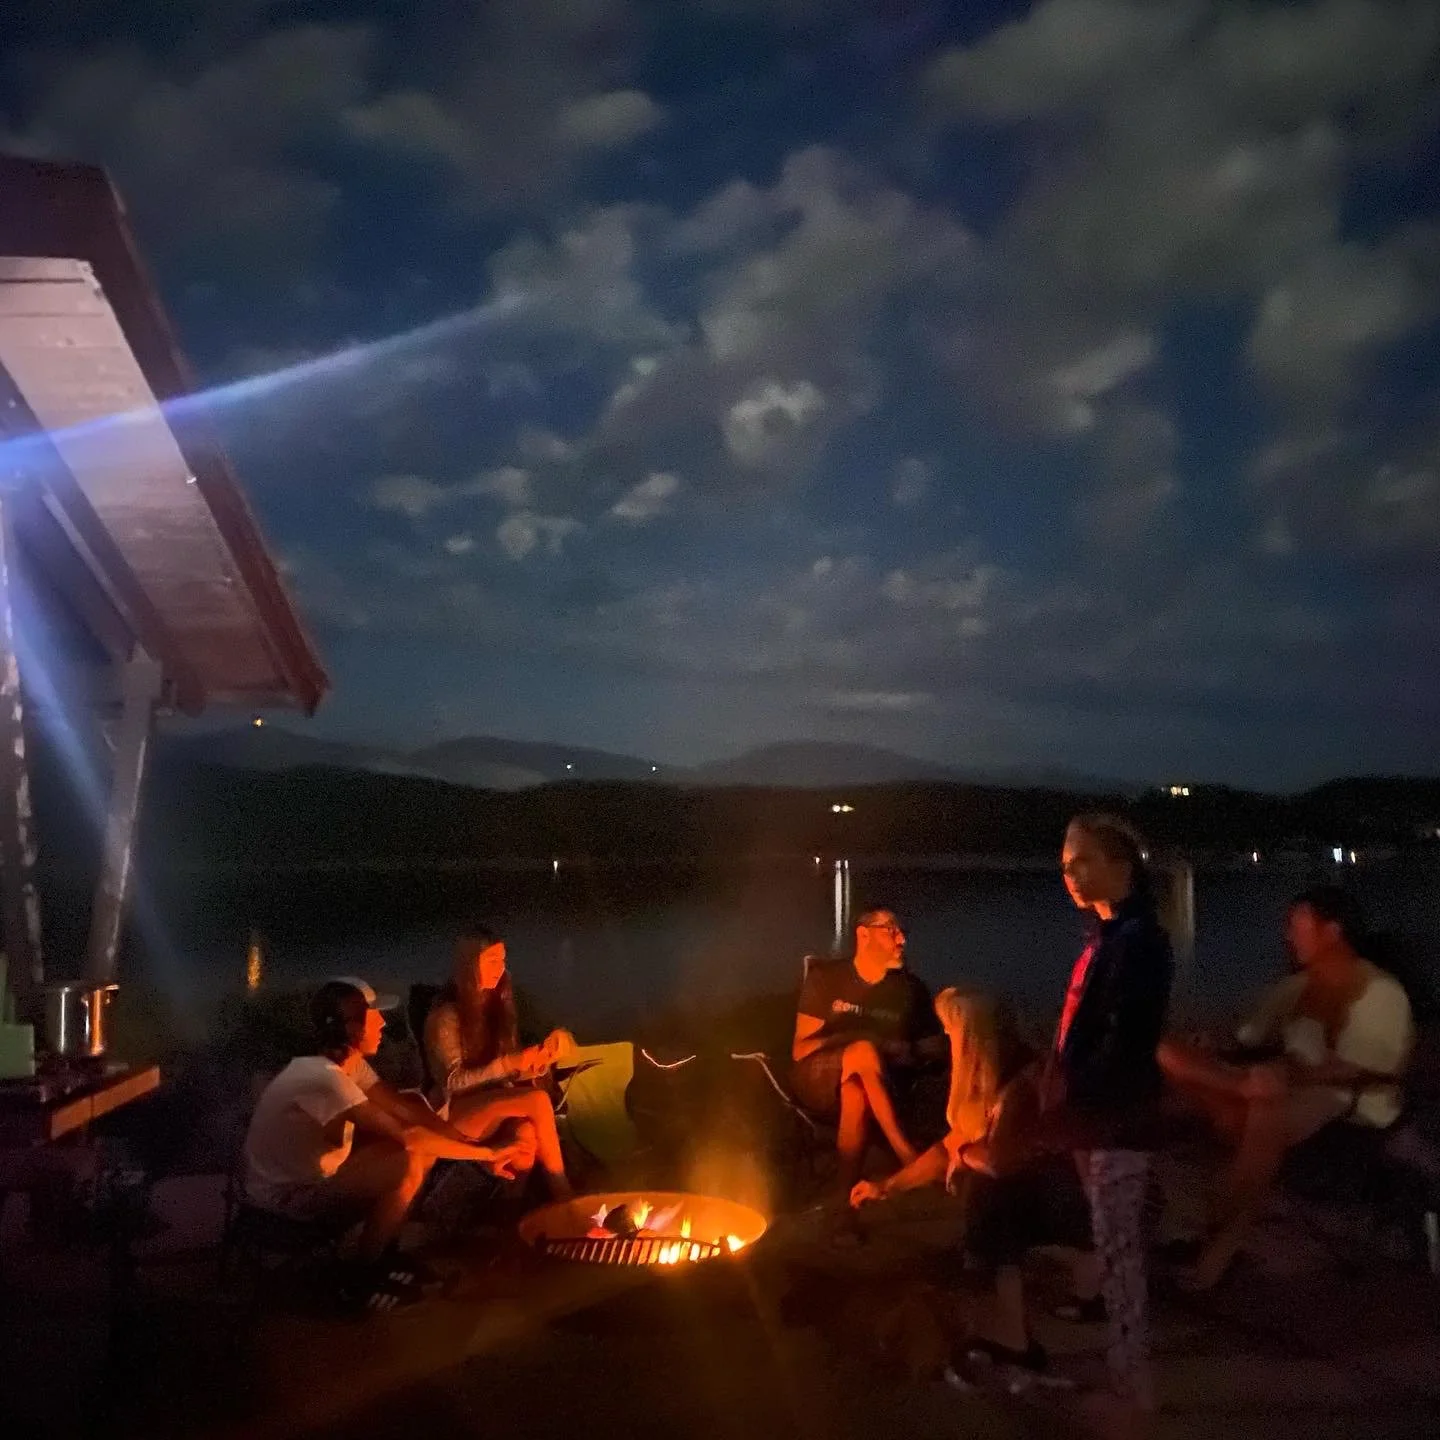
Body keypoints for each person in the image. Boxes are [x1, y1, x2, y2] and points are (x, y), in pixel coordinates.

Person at [1158, 884, 1414, 1292]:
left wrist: (1286, 1076)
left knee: (1266, 1106)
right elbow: (1248, 1037)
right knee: (1168, 1052)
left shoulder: (1377, 991)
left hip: (1349, 1101)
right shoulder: (1296, 989)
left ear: (1332, 931)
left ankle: (1215, 1246)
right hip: (1276, 1087)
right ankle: (1235, 1104)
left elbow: (1363, 1069)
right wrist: (1212, 1047)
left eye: (1298, 924)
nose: (1288, 936)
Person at [850, 989, 1097, 1381]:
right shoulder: (989, 1075)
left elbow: (998, 1160)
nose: (946, 1039)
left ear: (971, 1034)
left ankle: (1017, 1338)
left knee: (989, 1195)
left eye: (950, 1030)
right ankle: (1091, 1280)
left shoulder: (1022, 1080)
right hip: (1052, 1192)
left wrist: (964, 1155)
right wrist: (887, 1187)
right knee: (991, 1190)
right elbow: (949, 1146)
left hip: (1075, 1194)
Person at [243, 977, 524, 1311]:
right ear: (349, 1028)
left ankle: (383, 1255)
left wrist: (465, 1142)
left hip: (312, 1178)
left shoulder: (349, 1066)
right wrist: (486, 1154)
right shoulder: (323, 1080)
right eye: (373, 1016)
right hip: (285, 1199)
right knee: (407, 1158)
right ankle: (360, 1278)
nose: (382, 1023)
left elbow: (405, 1110)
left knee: (415, 1150)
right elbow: (409, 1136)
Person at [1042, 814, 1174, 1439]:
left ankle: (1133, 1393)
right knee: (1112, 1243)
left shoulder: (1137, 943)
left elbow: (1126, 1038)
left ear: (1120, 867)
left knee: (1120, 1251)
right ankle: (1127, 1373)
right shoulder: (1112, 936)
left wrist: (1077, 1090)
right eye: (1065, 865)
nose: (1070, 874)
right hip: (1099, 1111)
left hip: (1118, 1115)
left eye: (1082, 862)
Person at [791, 906, 945, 1196]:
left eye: (902, 932)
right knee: (862, 1051)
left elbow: (934, 1049)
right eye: (891, 931)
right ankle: (907, 1156)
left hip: (886, 1086)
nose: (902, 940)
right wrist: (855, 1038)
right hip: (819, 1084)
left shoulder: (910, 989)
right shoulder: (827, 978)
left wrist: (909, 1051)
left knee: (856, 1091)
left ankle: (845, 1202)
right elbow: (801, 1050)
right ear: (863, 935)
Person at [424, 924, 574, 1200]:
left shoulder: (499, 1005)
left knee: (526, 1139)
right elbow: (452, 1082)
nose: (500, 968)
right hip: (454, 1113)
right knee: (537, 1101)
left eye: (502, 960)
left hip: (493, 1104)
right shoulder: (446, 1015)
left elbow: (503, 1072)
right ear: (469, 964)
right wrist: (509, 1063)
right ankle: (565, 1197)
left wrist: (536, 1061)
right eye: (491, 961)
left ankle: (508, 1212)